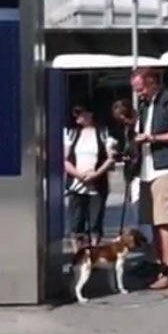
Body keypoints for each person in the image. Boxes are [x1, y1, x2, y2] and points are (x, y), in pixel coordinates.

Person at [130, 68, 168, 291]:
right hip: (147, 169)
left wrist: (153, 138)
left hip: (165, 168)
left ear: (153, 82)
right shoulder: (146, 106)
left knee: (164, 221)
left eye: (142, 88)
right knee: (152, 222)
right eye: (137, 90)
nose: (140, 94)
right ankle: (159, 265)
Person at [63, 105, 117, 251]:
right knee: (76, 224)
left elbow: (111, 158)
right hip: (76, 185)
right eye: (75, 113)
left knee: (95, 224)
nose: (77, 116)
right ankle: (78, 256)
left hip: (97, 185)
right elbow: (65, 160)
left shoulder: (103, 133)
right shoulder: (72, 134)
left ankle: (94, 255)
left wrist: (96, 174)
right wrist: (78, 174)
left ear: (90, 114)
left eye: (79, 112)